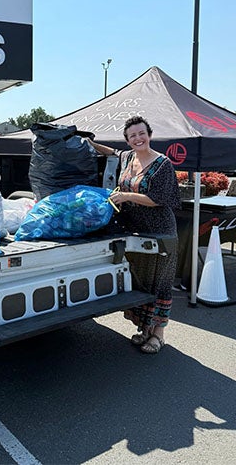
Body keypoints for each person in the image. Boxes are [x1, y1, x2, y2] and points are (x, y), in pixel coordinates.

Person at [89, 116, 180, 354]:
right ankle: (144, 329)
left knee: (160, 282)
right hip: (135, 232)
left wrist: (126, 196)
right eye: (132, 136)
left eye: (142, 133)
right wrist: (89, 143)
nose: (138, 138)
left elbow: (157, 199)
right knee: (141, 280)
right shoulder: (128, 157)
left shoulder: (162, 164)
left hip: (160, 232)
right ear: (128, 140)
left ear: (149, 134)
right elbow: (113, 152)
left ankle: (158, 335)